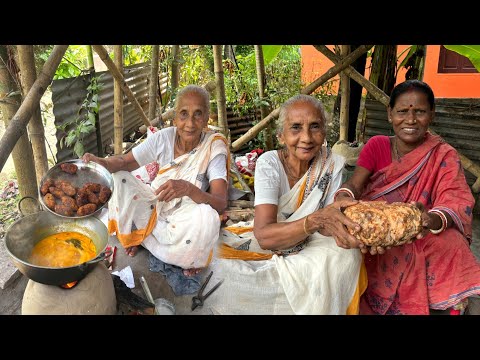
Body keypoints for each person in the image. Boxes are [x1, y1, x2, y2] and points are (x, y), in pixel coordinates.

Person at [208, 94, 367, 314]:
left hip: (314, 241)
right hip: (275, 237)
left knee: (349, 256)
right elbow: (264, 236)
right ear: (281, 136)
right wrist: (314, 220)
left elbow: (330, 226)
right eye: (295, 128)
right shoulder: (270, 163)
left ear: (324, 132)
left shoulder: (332, 164)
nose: (307, 137)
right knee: (220, 268)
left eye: (315, 127)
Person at [336, 79, 480, 315]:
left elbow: (455, 199)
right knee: (346, 246)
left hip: (421, 229)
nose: (411, 120)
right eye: (402, 111)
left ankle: (448, 305)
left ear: (431, 115)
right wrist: (343, 197)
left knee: (453, 244)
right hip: (377, 226)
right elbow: (356, 185)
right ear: (390, 114)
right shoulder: (377, 145)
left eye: (420, 111)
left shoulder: (443, 154)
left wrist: (429, 220)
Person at [83, 85, 229, 277]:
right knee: (119, 179)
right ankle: (149, 238)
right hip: (155, 204)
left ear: (207, 118)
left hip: (186, 213)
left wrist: (188, 189)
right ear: (175, 117)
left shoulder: (214, 146)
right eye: (184, 114)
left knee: (208, 219)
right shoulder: (163, 138)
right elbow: (125, 162)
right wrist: (100, 162)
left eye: (198, 114)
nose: (190, 123)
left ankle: (146, 239)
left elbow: (220, 202)